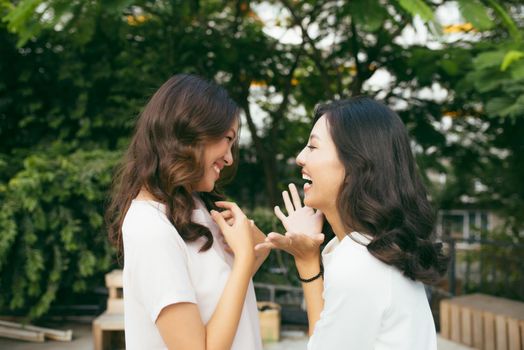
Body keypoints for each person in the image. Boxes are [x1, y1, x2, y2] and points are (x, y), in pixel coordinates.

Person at [256, 96, 448, 349]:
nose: (300, 157)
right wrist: (307, 259)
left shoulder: (360, 264)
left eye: (313, 147)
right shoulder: (377, 251)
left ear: (355, 166)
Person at [106, 74, 268, 350]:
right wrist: (242, 259)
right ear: (190, 133)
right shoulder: (150, 229)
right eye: (227, 140)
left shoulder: (192, 205)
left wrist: (257, 247)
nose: (229, 158)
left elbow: (227, 297)